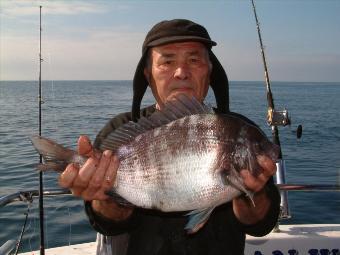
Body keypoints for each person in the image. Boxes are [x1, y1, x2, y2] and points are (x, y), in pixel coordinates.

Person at [59, 19, 280, 255]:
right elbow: (108, 224)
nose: (181, 73)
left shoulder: (239, 130)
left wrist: (251, 193)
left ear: (210, 70)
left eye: (194, 60)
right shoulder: (121, 129)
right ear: (148, 74)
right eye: (167, 61)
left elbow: (260, 225)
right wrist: (106, 194)